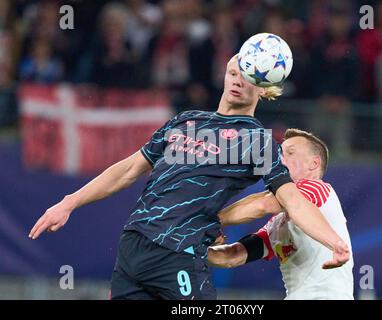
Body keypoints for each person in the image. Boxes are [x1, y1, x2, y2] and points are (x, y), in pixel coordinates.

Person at [29, 55, 349, 300]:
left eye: (248, 76)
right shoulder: (185, 121)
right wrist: (69, 202)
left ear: (263, 88)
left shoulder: (258, 140)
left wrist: (334, 241)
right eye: (233, 72)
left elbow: (285, 198)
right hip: (132, 247)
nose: (237, 81)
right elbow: (127, 170)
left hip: (177, 254)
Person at [209, 128, 354, 299]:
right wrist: (191, 246)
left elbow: (263, 204)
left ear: (313, 164)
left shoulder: (316, 188)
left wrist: (207, 222)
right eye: (279, 154)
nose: (280, 160)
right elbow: (231, 256)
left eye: (290, 153)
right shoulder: (278, 224)